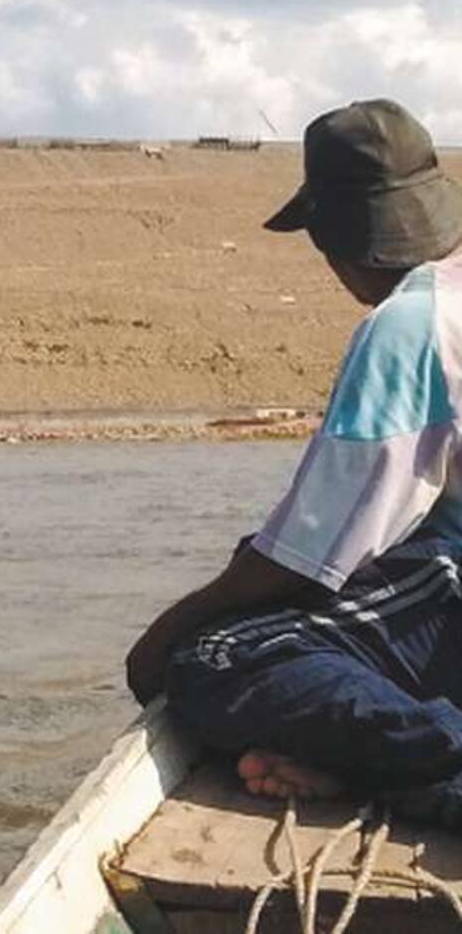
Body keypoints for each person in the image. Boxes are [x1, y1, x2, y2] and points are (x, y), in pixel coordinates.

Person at [126, 98, 462, 826]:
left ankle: (435, 762)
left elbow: (312, 557)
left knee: (218, 656)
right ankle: (379, 769)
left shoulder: (412, 324)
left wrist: (168, 633)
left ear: (335, 240)